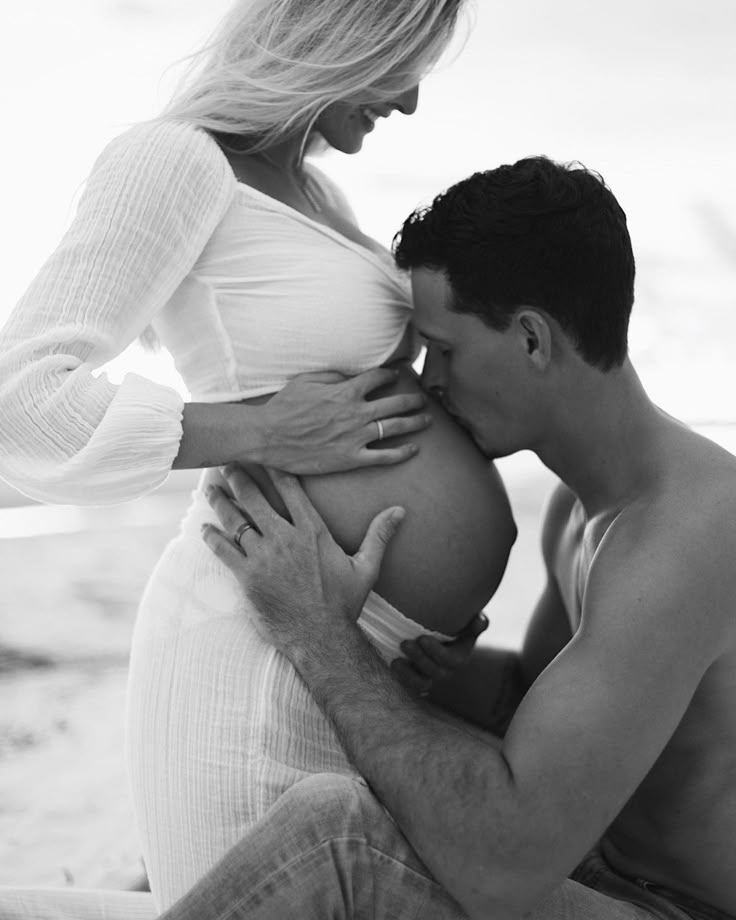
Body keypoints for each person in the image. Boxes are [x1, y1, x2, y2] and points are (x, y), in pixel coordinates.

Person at [0, 0, 518, 910]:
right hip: (250, 662)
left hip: (350, 657)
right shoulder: (172, 160)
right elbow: (22, 403)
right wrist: (263, 431)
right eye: (404, 61)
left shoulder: (317, 195)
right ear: (341, 30)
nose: (409, 103)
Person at [175, 155, 736, 920]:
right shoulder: (586, 507)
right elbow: (546, 711)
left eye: (445, 347)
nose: (430, 379)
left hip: (665, 905)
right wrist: (437, 665)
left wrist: (318, 630)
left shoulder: (689, 532)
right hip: (591, 869)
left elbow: (502, 868)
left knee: (338, 837)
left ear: (532, 340)